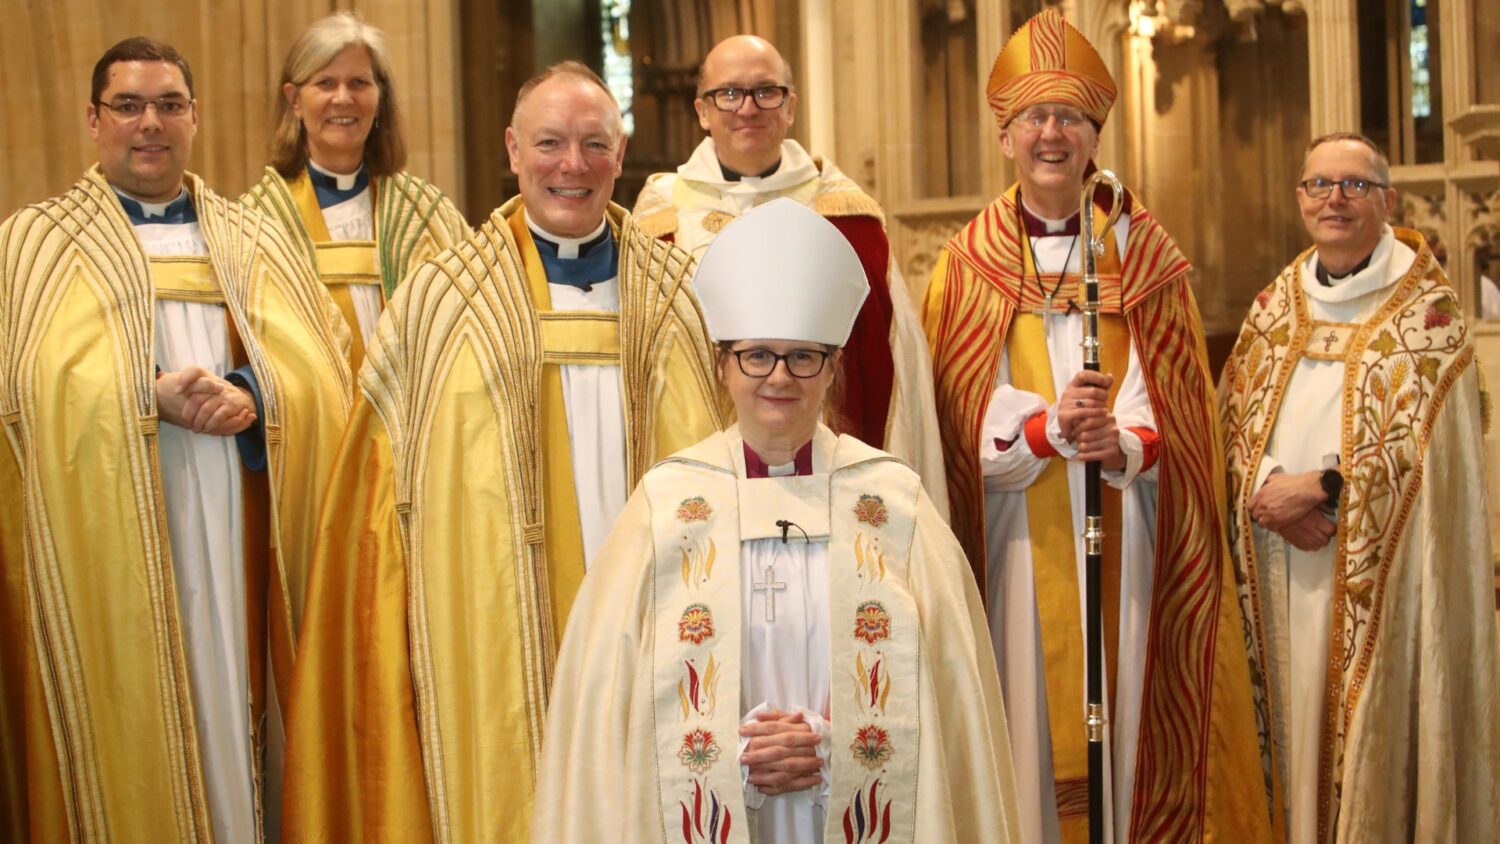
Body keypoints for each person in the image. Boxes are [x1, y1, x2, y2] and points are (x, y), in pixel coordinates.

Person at [282, 61, 725, 841]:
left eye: (594, 144)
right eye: (549, 143)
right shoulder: (439, 299)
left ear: (622, 154)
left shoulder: (685, 296)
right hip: (489, 639)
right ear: (512, 150)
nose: (572, 166)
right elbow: (374, 510)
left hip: (659, 632)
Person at [533, 197, 1021, 844]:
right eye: (757, 355)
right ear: (723, 366)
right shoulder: (665, 509)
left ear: (832, 368)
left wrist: (836, 747)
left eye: (802, 356)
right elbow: (606, 722)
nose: (779, 377)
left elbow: (949, 709)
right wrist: (723, 756)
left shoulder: (893, 508)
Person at [921, 10, 1272, 842]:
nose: (1052, 133)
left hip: (1130, 537)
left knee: (1131, 718)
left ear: (1095, 136)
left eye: (1070, 118)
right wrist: (1039, 432)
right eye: (1035, 117)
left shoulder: (1146, 256)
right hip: (1012, 541)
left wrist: (1128, 443)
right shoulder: (964, 265)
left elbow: (1181, 407)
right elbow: (948, 415)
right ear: (1005, 137)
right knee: (1022, 730)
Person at [0, 37, 351, 841]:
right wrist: (141, 394)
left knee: (234, 696)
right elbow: (18, 393)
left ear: (195, 117)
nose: (149, 123)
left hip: (241, 535)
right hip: (110, 550)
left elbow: (327, 373)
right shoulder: (31, 245)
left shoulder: (256, 239)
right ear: (94, 120)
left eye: (168, 105)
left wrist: (256, 397)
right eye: (128, 105)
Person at [1219, 132, 1499, 842]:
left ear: (1388, 201)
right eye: (1318, 185)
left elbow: (1442, 459)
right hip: (1276, 569)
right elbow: (1228, 424)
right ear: (1299, 199)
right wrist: (1268, 485)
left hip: (1385, 586)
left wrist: (1330, 491)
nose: (1333, 200)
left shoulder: (1427, 318)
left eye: (1353, 186)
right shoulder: (1272, 308)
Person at [633, 35, 947, 512]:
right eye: (729, 94)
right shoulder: (660, 222)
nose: (748, 108)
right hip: (699, 479)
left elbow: (895, 366)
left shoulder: (845, 217)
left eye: (766, 92)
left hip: (826, 481)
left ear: (790, 105)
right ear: (702, 110)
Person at [243, 11, 469, 372]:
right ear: (295, 100)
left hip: (409, 423)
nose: (343, 98)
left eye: (359, 83)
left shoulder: (427, 216)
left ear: (380, 98)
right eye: (325, 83)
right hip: (311, 424)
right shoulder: (256, 222)